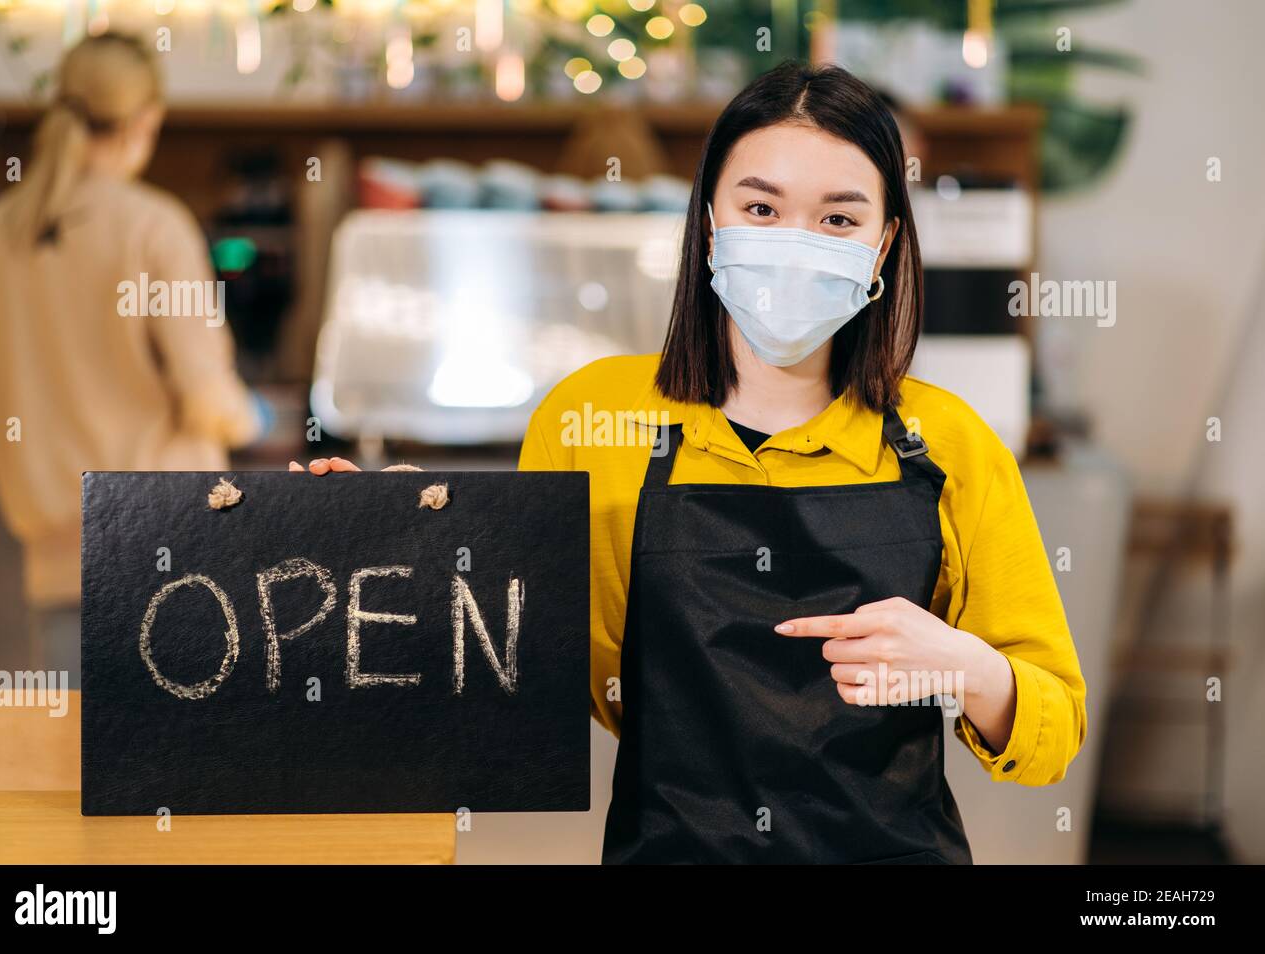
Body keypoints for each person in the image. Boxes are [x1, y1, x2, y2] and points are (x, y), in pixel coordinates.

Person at [298, 61, 1087, 865]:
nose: (795, 245)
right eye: (761, 208)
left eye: (838, 221)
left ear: (883, 243)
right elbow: (528, 662)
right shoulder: (589, 419)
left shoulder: (948, 441)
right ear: (710, 221)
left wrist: (971, 669)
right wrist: (408, 562)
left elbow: (1055, 727)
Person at [0, 33, 264, 687]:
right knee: (182, 777)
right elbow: (208, 397)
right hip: (170, 553)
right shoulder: (155, 226)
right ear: (145, 120)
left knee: (81, 779)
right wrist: (250, 421)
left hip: (52, 564)